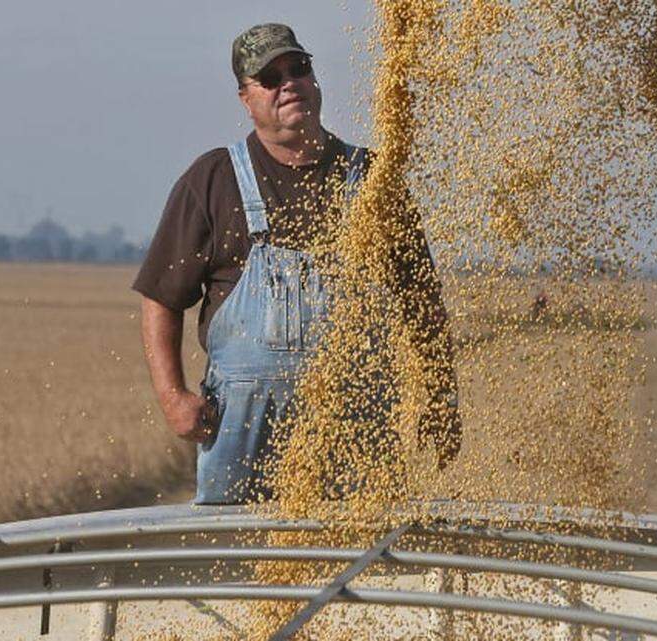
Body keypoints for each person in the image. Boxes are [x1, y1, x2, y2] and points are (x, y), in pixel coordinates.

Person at [133, 23, 459, 504]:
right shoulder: (214, 179)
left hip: (357, 422)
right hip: (244, 429)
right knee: (239, 565)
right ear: (246, 97)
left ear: (314, 79)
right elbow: (161, 298)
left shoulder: (373, 179)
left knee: (360, 563)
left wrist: (439, 395)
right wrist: (173, 397)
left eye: (298, 69)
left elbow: (422, 303)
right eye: (270, 77)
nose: (289, 83)